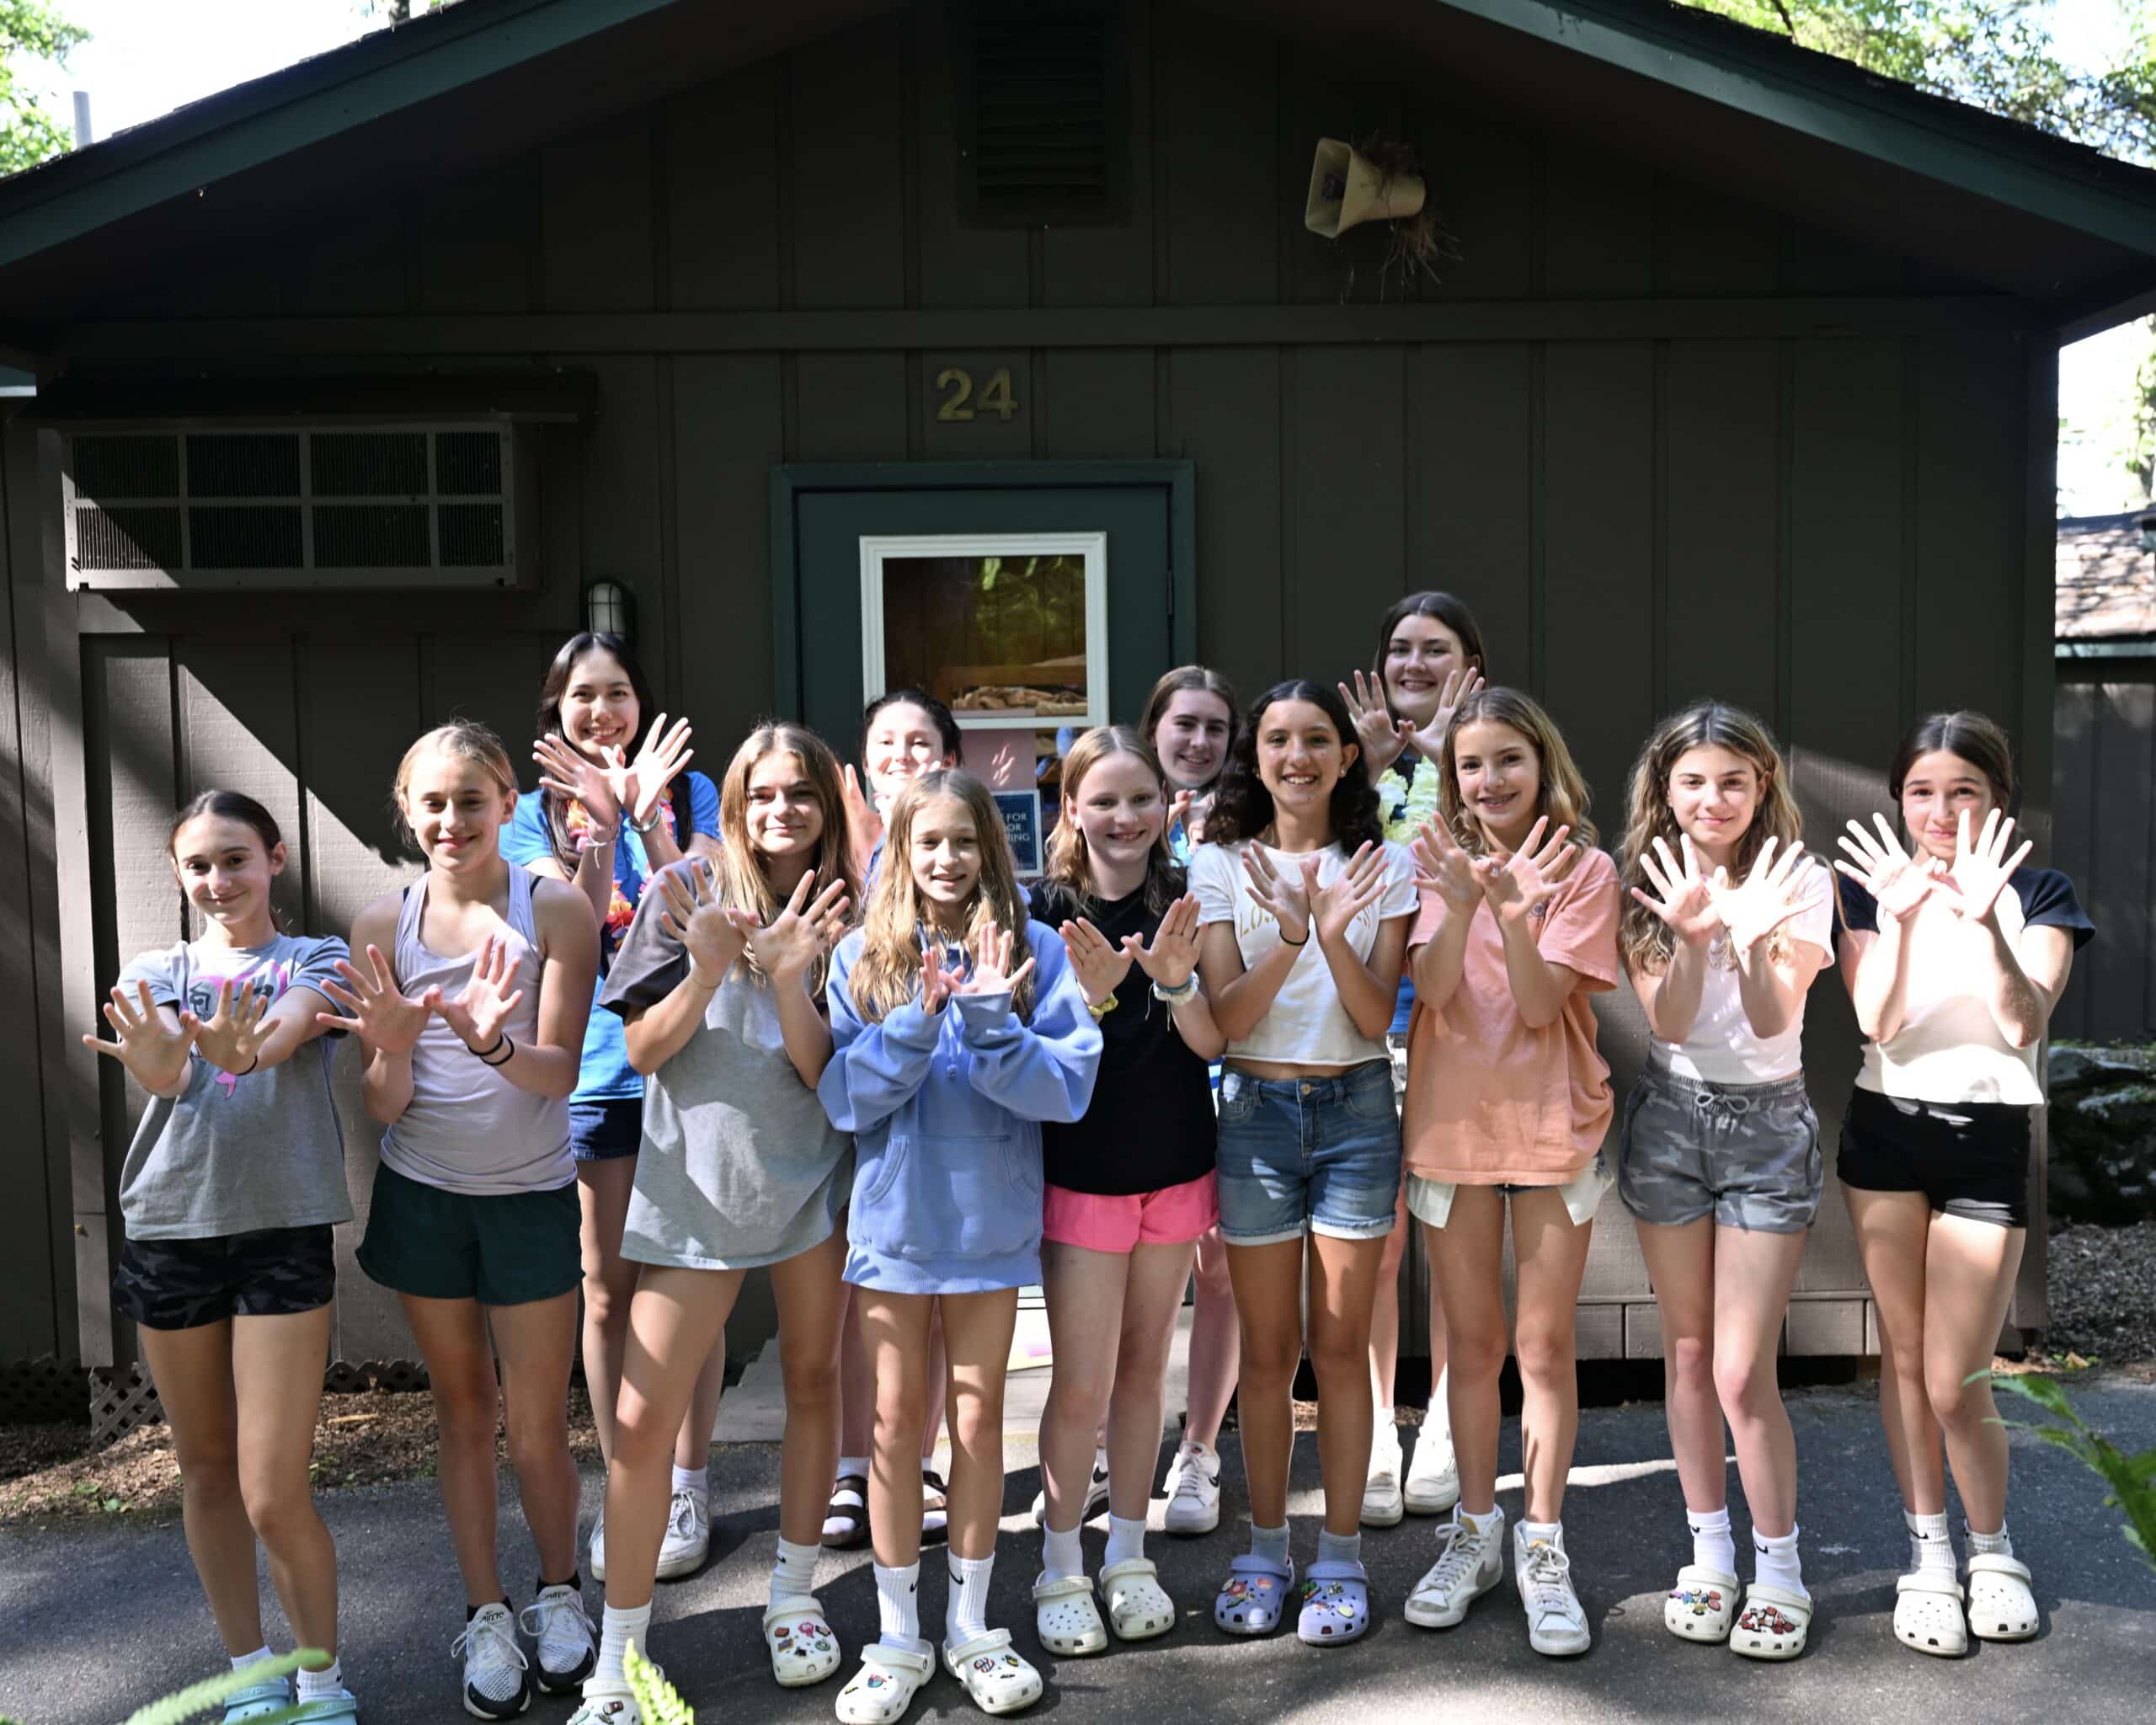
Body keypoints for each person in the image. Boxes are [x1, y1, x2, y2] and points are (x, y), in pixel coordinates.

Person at [569, 724, 859, 1724]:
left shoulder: (848, 906)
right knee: (643, 1424)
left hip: (813, 1181)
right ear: (735, 799)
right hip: (696, 1188)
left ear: (827, 804)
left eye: (803, 794)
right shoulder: (681, 886)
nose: (784, 810)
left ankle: (791, 1596)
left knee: (816, 1383)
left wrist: (787, 973)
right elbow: (642, 1052)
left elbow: (833, 1076)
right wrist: (704, 969)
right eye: (765, 792)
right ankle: (619, 1657)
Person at [321, 722, 599, 1719]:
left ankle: (561, 1592)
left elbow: (560, 1071)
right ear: (406, 808)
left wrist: (488, 1042)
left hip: (527, 1195)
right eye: (431, 802)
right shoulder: (377, 924)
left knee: (534, 1427)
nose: (451, 820)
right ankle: (485, 1609)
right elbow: (384, 1105)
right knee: (462, 1411)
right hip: (425, 1196)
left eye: (470, 800)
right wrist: (391, 1049)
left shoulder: (555, 906)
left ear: (508, 801)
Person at [819, 770, 1100, 1722]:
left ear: (992, 847)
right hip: (896, 1225)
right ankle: (898, 1634)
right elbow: (845, 1098)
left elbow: (1064, 1090)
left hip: (990, 1222)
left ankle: (973, 1625)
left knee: (979, 1422)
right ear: (899, 849)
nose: (946, 860)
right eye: (927, 841)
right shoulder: (860, 953)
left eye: (964, 841)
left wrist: (989, 1021)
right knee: (897, 1424)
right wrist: (920, 1016)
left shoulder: (1040, 949)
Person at [88, 791, 359, 1723]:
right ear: (179, 874)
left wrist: (248, 1046)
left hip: (281, 1232)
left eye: (236, 858)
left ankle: (321, 1682)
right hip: (169, 1230)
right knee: (204, 1470)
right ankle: (253, 1675)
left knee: (272, 1485)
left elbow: (287, 1030)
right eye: (200, 864)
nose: (219, 880)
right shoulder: (157, 968)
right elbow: (164, 1070)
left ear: (275, 859)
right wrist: (168, 1057)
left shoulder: (316, 956)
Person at [1833, 712, 2091, 1658]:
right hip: (1886, 1133)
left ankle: (1994, 1547)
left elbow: (2023, 1022)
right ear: (1899, 798)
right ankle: (1928, 1553)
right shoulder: (1869, 887)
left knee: (1956, 1376)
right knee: (1903, 1361)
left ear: (1998, 797)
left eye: (1963, 790)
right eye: (1921, 791)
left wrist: (1984, 917)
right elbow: (1881, 1020)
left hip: (1987, 1140)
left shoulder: (2041, 891)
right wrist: (1899, 915)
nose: (1940, 810)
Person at [1189, 681, 1417, 1648]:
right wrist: (1290, 936)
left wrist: (1330, 929)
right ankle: (1264, 1546)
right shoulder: (1215, 864)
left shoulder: (1386, 864)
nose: (1297, 756)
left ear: (1345, 753)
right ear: (1256, 753)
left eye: (1316, 738)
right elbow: (1226, 1026)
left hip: (1359, 1107)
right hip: (1254, 1113)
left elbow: (1373, 1018)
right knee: (1268, 1353)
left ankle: (1339, 1556)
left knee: (1340, 1344)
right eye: (1277, 738)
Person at [1397, 688, 1617, 1658]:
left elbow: (1537, 1006)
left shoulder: (1584, 866)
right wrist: (1455, 901)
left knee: (1544, 1348)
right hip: (1451, 1129)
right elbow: (1435, 990)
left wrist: (1516, 912)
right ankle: (1474, 1534)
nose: (1488, 781)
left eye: (1507, 761)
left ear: (1543, 764)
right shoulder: (1429, 859)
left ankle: (1542, 1542)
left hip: (1550, 1127)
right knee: (1472, 1347)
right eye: (1471, 765)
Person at [1619, 702, 1833, 1659]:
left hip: (1766, 1126)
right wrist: (1694, 935)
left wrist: (1746, 937)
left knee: (1746, 1370)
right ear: (1664, 790)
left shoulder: (1800, 880)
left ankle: (1779, 1567)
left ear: (1762, 788)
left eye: (1733, 780)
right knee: (1691, 1355)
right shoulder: (1646, 884)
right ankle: (1709, 1556)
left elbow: (1774, 1009)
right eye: (1694, 780)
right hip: (1670, 1117)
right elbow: (1665, 1024)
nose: (1714, 798)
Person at [508, 632, 721, 1584]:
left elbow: (708, 902)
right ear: (555, 708)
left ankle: (687, 1476)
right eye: (583, 696)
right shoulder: (522, 817)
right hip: (595, 1069)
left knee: (692, 1276)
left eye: (620, 693)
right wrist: (598, 825)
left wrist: (644, 817)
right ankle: (625, 1469)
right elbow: (569, 931)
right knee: (606, 1286)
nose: (603, 712)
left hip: (686, 1061)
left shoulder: (695, 792)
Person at [1027, 727, 1225, 1656]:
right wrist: (1097, 1002)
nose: (1124, 815)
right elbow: (1035, 1058)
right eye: (1102, 799)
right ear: (1071, 808)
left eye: (1140, 797)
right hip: (1084, 1177)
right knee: (1081, 1380)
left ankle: (1128, 1552)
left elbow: (1210, 1042)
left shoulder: (1185, 899)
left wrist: (1176, 984)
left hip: (1176, 1168)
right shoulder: (1042, 910)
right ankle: (1060, 1560)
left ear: (1166, 804)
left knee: (1147, 1370)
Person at [1337, 594, 1486, 1526]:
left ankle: (1441, 1423)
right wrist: (1375, 766)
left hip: (1462, 1025)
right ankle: (1381, 1432)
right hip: (1358, 1022)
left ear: (1471, 663)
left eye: (1436, 649)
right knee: (1376, 1242)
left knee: (1450, 1237)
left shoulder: (1492, 755)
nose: (1414, 663)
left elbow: (1516, 845)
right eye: (1399, 647)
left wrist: (1441, 750)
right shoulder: (1358, 760)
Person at [824, 688, 967, 1553]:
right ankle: (854, 1461)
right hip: (847, 1099)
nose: (904, 755)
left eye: (920, 741)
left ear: (947, 755)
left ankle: (920, 1458)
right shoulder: (835, 848)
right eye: (887, 743)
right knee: (857, 1294)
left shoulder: (961, 851)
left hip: (945, 1110)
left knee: (944, 1300)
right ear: (863, 763)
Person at [1139, 667, 1243, 1537]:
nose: (1199, 741)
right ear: (1154, 729)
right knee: (1135, 1280)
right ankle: (1112, 1445)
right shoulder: (1125, 817)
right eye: (1185, 724)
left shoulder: (1245, 832)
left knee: (1219, 1271)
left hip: (1228, 1065)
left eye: (1215, 727)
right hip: (1146, 1083)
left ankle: (1199, 1450)